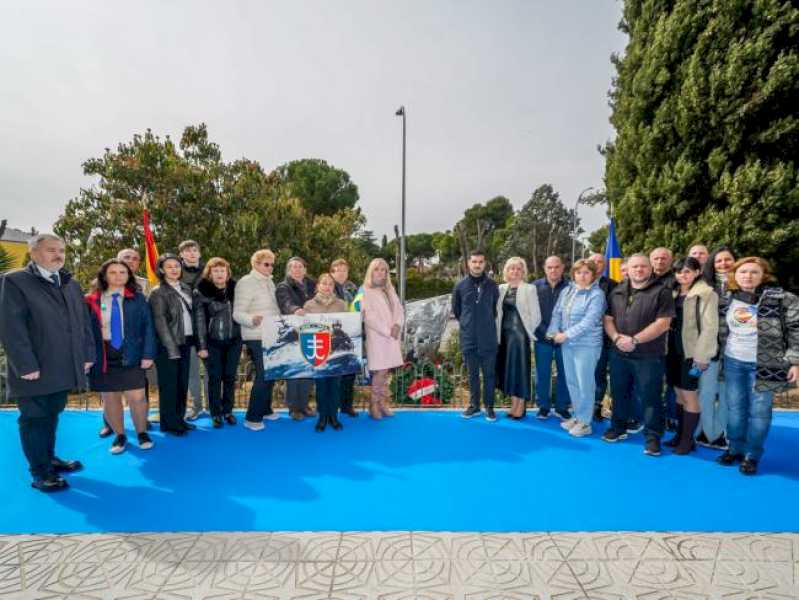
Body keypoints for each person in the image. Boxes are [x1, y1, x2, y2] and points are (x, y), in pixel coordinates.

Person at [0, 233, 94, 492]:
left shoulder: (70, 283)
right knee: (34, 418)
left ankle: (49, 458)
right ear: (34, 253)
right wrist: (25, 364)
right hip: (34, 368)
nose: (58, 255)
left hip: (63, 366)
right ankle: (40, 472)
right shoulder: (14, 281)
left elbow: (82, 325)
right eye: (51, 250)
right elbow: (11, 327)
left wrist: (86, 356)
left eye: (61, 250)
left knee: (52, 414)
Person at [716, 257, 799, 475]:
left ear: (764, 275)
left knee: (760, 412)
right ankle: (735, 448)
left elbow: (796, 329)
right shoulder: (727, 298)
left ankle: (752, 456)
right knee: (734, 410)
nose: (748, 276)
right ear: (735, 275)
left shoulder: (783, 299)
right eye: (743, 272)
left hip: (767, 364)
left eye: (754, 272)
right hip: (733, 361)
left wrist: (795, 361)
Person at [603, 254, 674, 456]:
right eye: (635, 267)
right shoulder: (617, 291)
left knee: (650, 397)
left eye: (643, 266)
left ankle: (652, 438)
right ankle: (618, 427)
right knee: (619, 392)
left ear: (650, 269)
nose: (639, 270)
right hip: (619, 353)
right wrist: (617, 338)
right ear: (629, 269)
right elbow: (607, 319)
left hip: (649, 355)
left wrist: (634, 340)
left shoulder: (662, 292)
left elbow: (663, 324)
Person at [85, 259, 156, 454]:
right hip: (103, 355)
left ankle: (142, 433)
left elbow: (148, 327)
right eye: (113, 272)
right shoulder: (91, 300)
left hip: (131, 352)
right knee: (110, 398)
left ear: (129, 276)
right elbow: (85, 331)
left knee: (137, 397)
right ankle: (120, 435)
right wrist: (86, 356)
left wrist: (148, 353)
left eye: (122, 272)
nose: (118, 276)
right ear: (104, 276)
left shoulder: (138, 299)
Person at [663, 257, 719, 455]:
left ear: (697, 272)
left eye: (687, 271)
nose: (682, 275)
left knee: (689, 395)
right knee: (678, 394)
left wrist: (702, 356)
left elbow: (710, 327)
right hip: (672, 351)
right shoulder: (673, 292)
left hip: (692, 353)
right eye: (679, 272)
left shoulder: (706, 294)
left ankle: (688, 440)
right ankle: (679, 435)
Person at [547, 259, 607, 437]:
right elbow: (557, 312)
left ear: (593, 275)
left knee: (585, 384)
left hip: (586, 345)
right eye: (579, 272)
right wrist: (553, 331)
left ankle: (585, 423)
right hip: (568, 344)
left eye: (586, 272)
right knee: (572, 381)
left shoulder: (597, 295)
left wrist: (565, 335)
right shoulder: (567, 291)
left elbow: (589, 321)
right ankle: (578, 416)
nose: (582, 276)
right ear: (573, 274)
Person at [150, 253, 204, 436]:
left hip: (186, 341)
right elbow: (160, 323)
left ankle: (179, 419)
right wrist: (171, 349)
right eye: (169, 266)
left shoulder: (186, 288)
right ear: (161, 270)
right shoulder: (157, 292)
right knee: (169, 386)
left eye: (177, 266)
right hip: (168, 346)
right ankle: (170, 423)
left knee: (181, 383)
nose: (174, 269)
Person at [233, 249, 281, 431]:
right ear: (255, 264)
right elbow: (237, 313)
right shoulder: (246, 283)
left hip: (271, 334)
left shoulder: (270, 282)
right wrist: (251, 320)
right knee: (263, 375)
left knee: (271, 374)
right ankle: (252, 417)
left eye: (272, 264)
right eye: (266, 264)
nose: (270, 267)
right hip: (256, 335)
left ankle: (266, 409)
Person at [695, 245, 737, 450]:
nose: (723, 264)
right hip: (709, 349)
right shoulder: (704, 286)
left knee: (727, 392)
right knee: (706, 391)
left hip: (735, 350)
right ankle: (706, 431)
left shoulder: (744, 284)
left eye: (727, 259)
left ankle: (720, 432)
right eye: (718, 261)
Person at [453, 250, 500, 421]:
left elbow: (494, 310)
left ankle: (489, 407)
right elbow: (457, 311)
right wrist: (469, 324)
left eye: (480, 261)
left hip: (488, 339)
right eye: (474, 261)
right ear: (468, 264)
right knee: (472, 374)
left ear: (484, 263)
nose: (477, 264)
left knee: (489, 375)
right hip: (468, 339)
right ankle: (474, 406)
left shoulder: (493, 286)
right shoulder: (460, 286)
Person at [195, 257, 241, 428]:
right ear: (210, 273)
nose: (220, 274)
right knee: (214, 378)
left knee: (230, 377)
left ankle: (228, 411)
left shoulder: (237, 290)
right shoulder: (201, 291)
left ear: (228, 273)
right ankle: (215, 413)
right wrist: (202, 346)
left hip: (234, 341)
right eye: (216, 271)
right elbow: (199, 320)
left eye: (223, 270)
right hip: (212, 342)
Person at [495, 257, 540, 419]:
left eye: (518, 268)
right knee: (509, 370)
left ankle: (520, 407)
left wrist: (527, 331)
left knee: (520, 370)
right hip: (504, 337)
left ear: (523, 271)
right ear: (506, 271)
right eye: (511, 268)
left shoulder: (529, 289)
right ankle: (514, 405)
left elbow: (536, 316)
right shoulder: (500, 288)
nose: (515, 271)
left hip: (519, 337)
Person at [304, 273, 349, 431]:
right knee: (321, 386)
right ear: (318, 286)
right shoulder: (309, 305)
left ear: (333, 287)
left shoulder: (342, 305)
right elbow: (305, 328)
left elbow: (348, 326)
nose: (327, 286)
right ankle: (322, 417)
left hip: (336, 353)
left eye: (330, 284)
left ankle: (333, 417)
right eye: (324, 283)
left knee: (335, 386)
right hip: (318, 351)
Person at [362, 258, 405, 419]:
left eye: (384, 270)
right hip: (378, 337)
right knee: (380, 372)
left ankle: (382, 403)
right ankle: (373, 404)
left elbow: (399, 310)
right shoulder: (365, 290)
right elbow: (369, 317)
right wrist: (388, 331)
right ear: (371, 271)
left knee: (386, 372)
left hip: (392, 337)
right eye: (377, 269)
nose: (381, 273)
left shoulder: (390, 290)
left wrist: (397, 325)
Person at [276, 257, 317, 420]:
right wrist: (295, 310)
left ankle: (304, 404)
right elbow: (285, 303)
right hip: (293, 332)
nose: (297, 269)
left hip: (311, 331)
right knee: (294, 371)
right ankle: (294, 408)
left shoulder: (313, 285)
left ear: (305, 269)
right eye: (293, 267)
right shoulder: (283, 286)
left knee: (309, 369)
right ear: (288, 270)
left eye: (300, 266)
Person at [533, 256, 571, 420]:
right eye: (550, 267)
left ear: (562, 268)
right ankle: (543, 407)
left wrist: (561, 333)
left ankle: (562, 407)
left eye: (556, 267)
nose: (553, 270)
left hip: (565, 339)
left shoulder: (571, 287)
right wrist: (547, 333)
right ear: (544, 268)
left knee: (565, 373)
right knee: (542, 373)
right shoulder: (535, 287)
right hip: (542, 339)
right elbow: (532, 314)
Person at [179, 240, 208, 421]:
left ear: (199, 253)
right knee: (192, 373)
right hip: (186, 328)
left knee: (210, 371)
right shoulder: (174, 271)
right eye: (187, 251)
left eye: (194, 250)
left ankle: (212, 405)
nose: (191, 253)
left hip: (207, 327)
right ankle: (196, 406)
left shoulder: (208, 272)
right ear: (181, 254)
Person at [589, 252, 617, 422]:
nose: (597, 264)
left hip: (604, 338)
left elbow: (614, 311)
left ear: (605, 266)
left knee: (599, 374)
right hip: (581, 339)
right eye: (593, 261)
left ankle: (597, 406)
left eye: (600, 262)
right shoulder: (576, 284)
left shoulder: (613, 286)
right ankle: (582, 405)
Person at [331, 258, 360, 417]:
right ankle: (333, 405)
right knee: (334, 372)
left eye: (344, 270)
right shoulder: (327, 287)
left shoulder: (353, 288)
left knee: (350, 372)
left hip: (352, 334)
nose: (342, 273)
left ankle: (347, 405)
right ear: (332, 272)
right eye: (338, 270)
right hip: (334, 335)